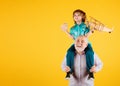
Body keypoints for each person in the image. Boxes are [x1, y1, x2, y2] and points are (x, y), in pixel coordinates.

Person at [61, 9, 94, 79]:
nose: (76, 16)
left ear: (82, 17)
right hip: (76, 45)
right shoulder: (72, 28)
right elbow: (72, 38)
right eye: (75, 15)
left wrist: (92, 30)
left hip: (86, 44)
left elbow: (86, 36)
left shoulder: (86, 26)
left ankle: (90, 72)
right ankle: (69, 71)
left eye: (78, 15)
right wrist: (65, 31)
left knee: (90, 52)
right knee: (69, 52)